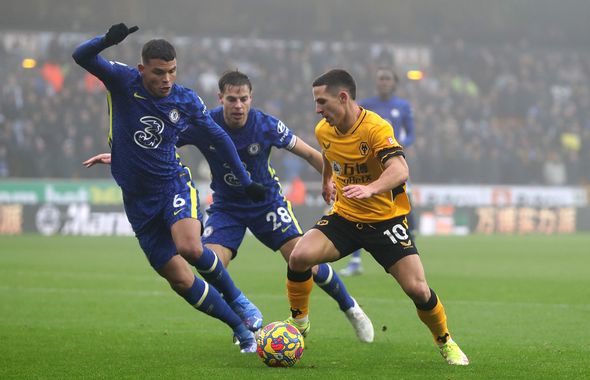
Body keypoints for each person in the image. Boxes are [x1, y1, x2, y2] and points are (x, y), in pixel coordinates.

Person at [85, 70, 375, 343]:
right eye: (232, 99)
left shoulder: (266, 125)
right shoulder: (204, 123)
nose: (238, 105)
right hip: (226, 208)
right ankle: (244, 323)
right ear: (220, 98)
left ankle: (350, 307)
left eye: (244, 99)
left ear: (251, 99)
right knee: (211, 264)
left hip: (266, 203)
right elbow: (162, 142)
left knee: (302, 259)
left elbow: (312, 154)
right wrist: (123, 154)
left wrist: (331, 182)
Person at [72, 23, 268, 353]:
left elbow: (219, 138)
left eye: (172, 72)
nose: (166, 80)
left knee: (190, 247)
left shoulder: (185, 99)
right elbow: (81, 55)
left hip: (172, 185)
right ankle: (240, 327)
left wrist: (246, 181)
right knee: (179, 279)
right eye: (159, 73)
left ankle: (239, 300)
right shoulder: (122, 81)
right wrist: (107, 41)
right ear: (141, 69)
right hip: (136, 200)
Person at [285, 69, 469, 365]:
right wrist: (326, 181)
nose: (318, 109)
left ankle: (445, 341)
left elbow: (400, 170)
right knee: (299, 256)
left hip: (386, 221)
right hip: (345, 217)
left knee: (418, 289)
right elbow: (329, 156)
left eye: (322, 102)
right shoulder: (324, 129)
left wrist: (371, 188)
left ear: (343, 97)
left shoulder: (375, 128)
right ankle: (299, 325)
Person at [340, 67, 416, 276]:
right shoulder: (366, 106)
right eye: (380, 78)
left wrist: (397, 146)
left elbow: (411, 134)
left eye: (387, 78)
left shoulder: (403, 106)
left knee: (403, 207)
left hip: (392, 165)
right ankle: (355, 261)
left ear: (394, 82)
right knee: (358, 207)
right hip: (368, 167)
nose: (383, 82)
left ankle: (406, 254)